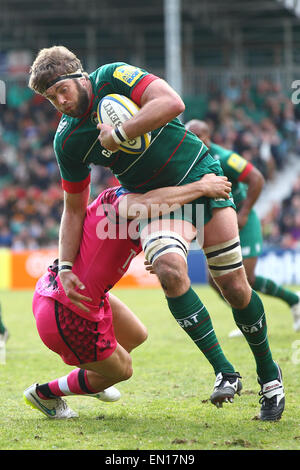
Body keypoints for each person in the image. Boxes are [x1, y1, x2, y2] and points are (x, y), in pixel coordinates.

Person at [28, 46, 284, 421]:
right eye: (51, 98)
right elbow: (74, 208)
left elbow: (171, 102)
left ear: (79, 74)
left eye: (61, 90)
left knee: (234, 286)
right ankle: (225, 371)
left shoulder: (113, 76)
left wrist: (120, 132)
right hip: (156, 202)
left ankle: (269, 376)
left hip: (202, 177)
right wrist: (65, 264)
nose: (59, 102)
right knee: (168, 269)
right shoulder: (68, 140)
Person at [24, 175, 232, 419]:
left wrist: (167, 253)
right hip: (68, 312)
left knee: (135, 335)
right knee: (123, 370)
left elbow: (158, 216)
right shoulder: (124, 203)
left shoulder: (142, 209)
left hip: (70, 293)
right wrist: (201, 187)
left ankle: (94, 380)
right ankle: (44, 393)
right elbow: (145, 205)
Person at [185, 119, 300, 335]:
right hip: (218, 221)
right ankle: (247, 317)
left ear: (209, 137)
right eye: (190, 136)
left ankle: (284, 305)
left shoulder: (225, 157)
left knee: (244, 279)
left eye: (198, 136)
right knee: (215, 281)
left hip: (241, 221)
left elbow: (256, 178)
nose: (194, 140)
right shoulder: (188, 159)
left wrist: (244, 212)